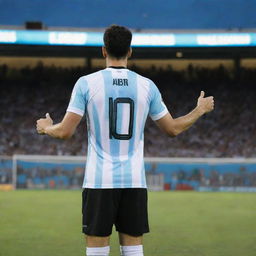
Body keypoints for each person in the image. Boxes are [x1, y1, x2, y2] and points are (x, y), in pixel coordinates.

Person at [36, 25, 214, 256]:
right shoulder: (147, 86)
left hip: (99, 181)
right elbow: (172, 129)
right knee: (133, 249)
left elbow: (65, 132)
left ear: (103, 51)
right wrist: (199, 110)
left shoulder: (86, 83)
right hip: (134, 181)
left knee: (97, 249)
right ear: (130, 51)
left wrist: (47, 128)